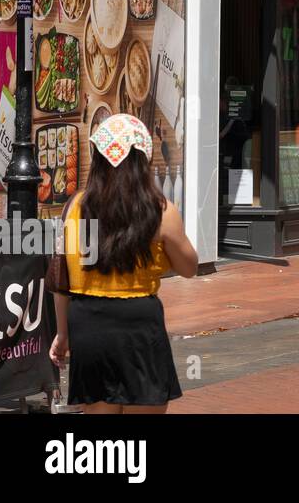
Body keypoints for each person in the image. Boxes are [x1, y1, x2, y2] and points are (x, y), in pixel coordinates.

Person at [50, 114, 198, 413]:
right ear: (141, 160)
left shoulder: (73, 208)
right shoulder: (160, 211)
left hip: (88, 324)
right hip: (138, 326)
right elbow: (189, 267)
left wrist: (63, 333)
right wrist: (157, 261)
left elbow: (61, 281)